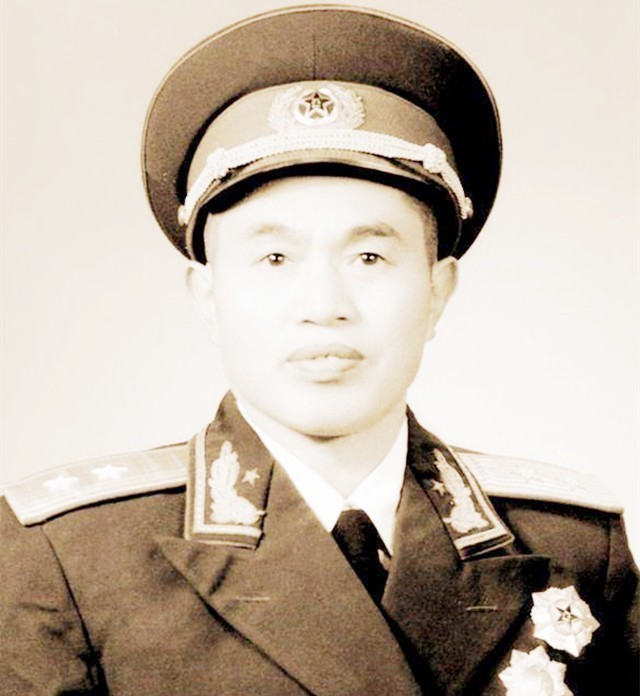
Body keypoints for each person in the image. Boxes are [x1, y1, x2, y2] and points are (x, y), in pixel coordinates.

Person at [1, 6, 637, 695]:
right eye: (275, 258)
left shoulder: (570, 546)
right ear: (208, 296)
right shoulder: (69, 559)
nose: (324, 304)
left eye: (370, 257)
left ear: (437, 292)